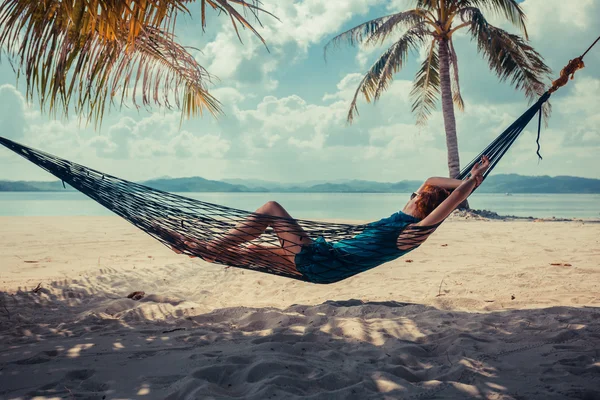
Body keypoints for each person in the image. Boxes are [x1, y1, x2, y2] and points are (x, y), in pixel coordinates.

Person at [156, 156, 490, 283]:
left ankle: (201, 245)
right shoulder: (403, 217)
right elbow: (432, 180)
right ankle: (195, 248)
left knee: (271, 208)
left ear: (423, 203)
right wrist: (463, 180)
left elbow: (454, 198)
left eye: (417, 195)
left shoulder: (414, 232)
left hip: (323, 262)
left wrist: (473, 180)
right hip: (322, 258)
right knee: (242, 254)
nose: (415, 193)